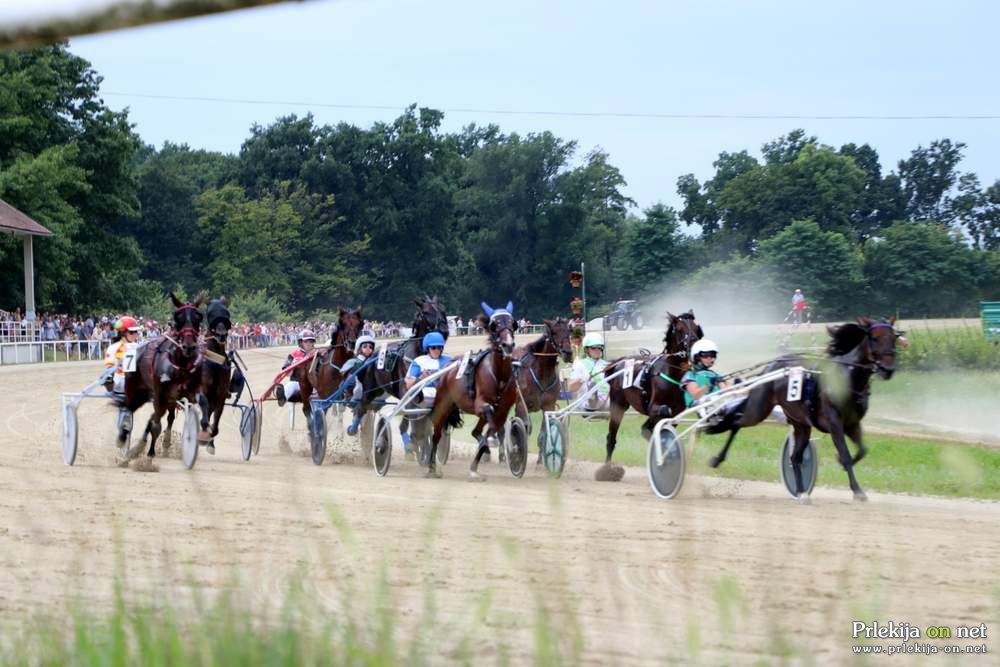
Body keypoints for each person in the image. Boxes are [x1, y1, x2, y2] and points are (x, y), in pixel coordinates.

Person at [344, 334, 377, 435]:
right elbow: (347, 374)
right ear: (359, 348)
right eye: (365, 346)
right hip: (353, 389)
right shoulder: (354, 361)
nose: (368, 349)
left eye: (370, 347)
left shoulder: (373, 360)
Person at [567, 332, 609, 410]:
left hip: (608, 400)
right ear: (586, 349)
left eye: (599, 347)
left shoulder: (607, 365)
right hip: (586, 401)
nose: (597, 350)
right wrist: (583, 379)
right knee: (592, 386)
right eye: (593, 347)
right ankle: (595, 398)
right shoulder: (579, 364)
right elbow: (571, 388)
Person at [275, 329, 316, 406]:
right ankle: (282, 399)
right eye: (306, 341)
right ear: (301, 342)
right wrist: (293, 365)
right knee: (291, 385)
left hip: (313, 384)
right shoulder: (293, 355)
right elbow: (287, 374)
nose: (309, 343)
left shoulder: (317, 354)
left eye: (311, 341)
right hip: (297, 383)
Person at [103, 316, 142, 393]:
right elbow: (109, 369)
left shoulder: (138, 346)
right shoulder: (113, 348)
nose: (135, 334)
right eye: (131, 332)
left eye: (136, 332)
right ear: (123, 333)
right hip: (120, 382)